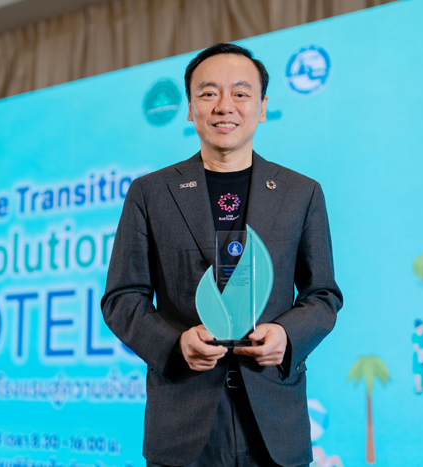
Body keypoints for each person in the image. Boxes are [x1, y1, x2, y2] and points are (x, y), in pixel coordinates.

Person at [101, 43, 343, 467]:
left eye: (241, 93)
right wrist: (177, 344)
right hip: (182, 423)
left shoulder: (301, 193)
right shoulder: (150, 193)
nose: (224, 106)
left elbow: (323, 295)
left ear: (262, 107)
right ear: (190, 108)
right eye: (209, 93)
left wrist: (286, 337)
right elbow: (122, 298)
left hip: (275, 423)